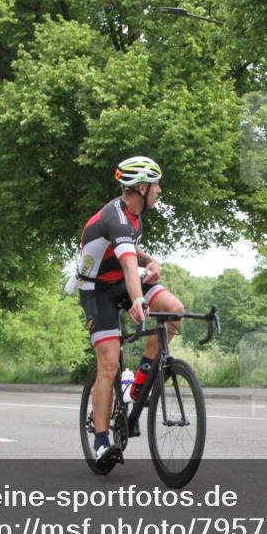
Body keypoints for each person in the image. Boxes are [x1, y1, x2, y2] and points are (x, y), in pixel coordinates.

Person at [74, 156, 185, 464]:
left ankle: (135, 388)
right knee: (109, 363)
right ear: (142, 188)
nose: (159, 190)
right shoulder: (117, 217)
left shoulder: (134, 216)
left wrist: (151, 261)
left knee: (174, 310)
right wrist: (137, 301)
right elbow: (126, 264)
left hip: (121, 281)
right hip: (96, 290)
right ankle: (100, 442)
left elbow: (130, 252)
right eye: (156, 185)